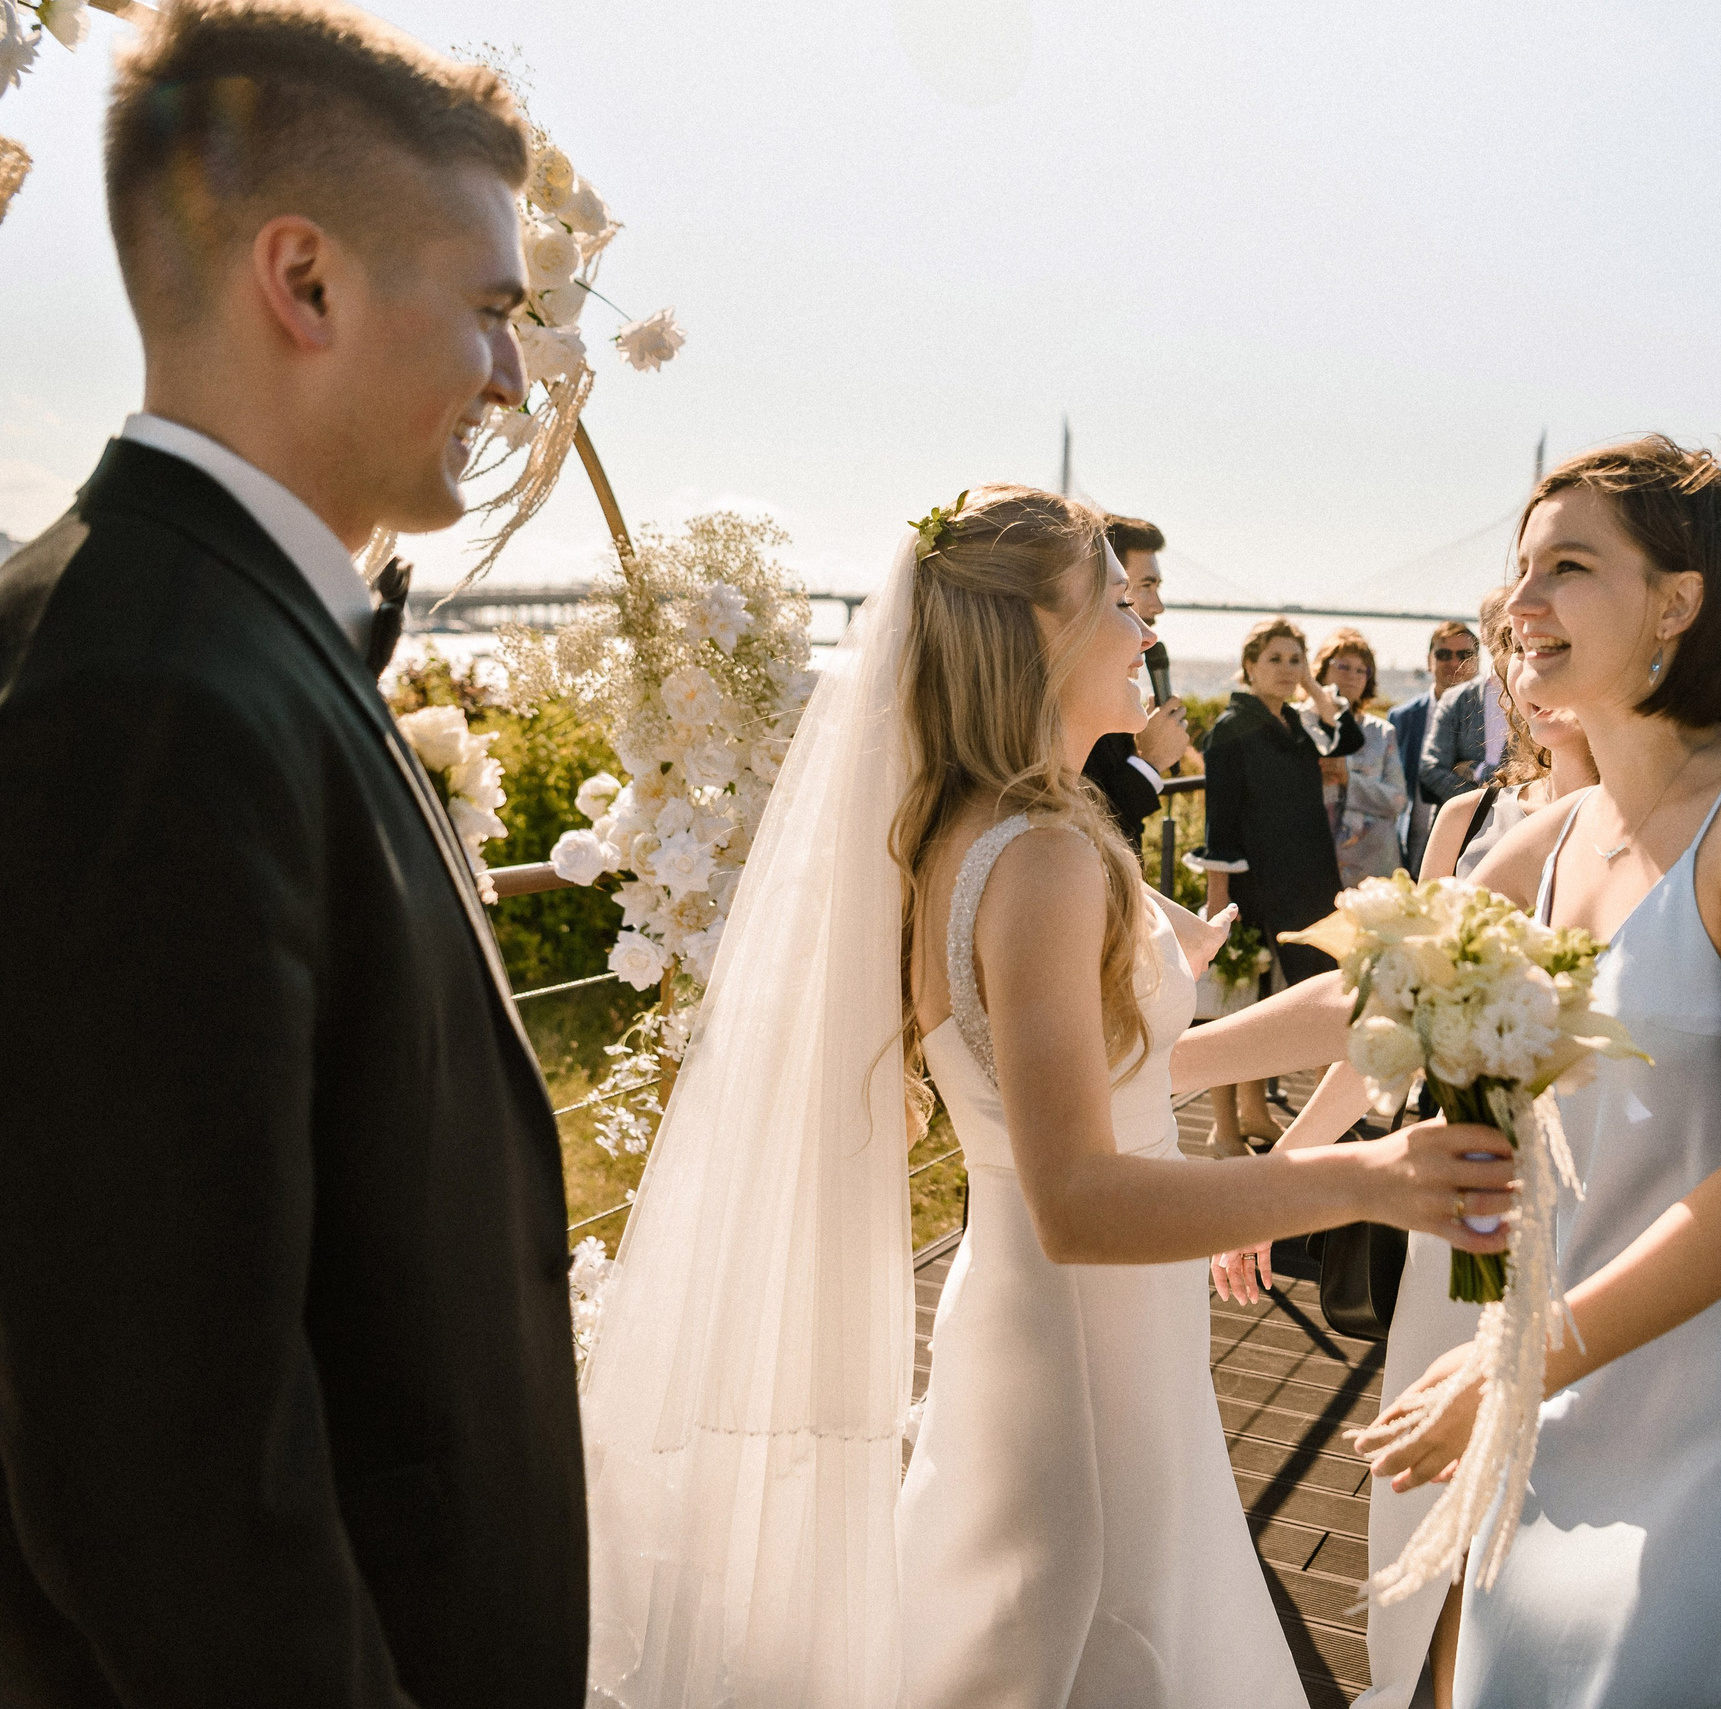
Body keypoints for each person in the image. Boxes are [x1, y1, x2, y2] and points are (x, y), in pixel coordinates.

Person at [577, 486, 1515, 1708]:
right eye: (1118, 605)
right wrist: (1369, 1177)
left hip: (1071, 1319)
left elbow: (1119, 1077)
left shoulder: (978, 833)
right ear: (1039, 634)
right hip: (1080, 1332)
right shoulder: (1047, 854)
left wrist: (1378, 993)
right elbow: (1077, 1195)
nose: (1145, 632)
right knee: (1077, 1642)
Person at [0, 8, 588, 1705]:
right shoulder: (143, 698)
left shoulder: (218, 631)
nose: (510, 373)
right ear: (306, 281)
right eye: (489, 309)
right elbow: (160, 1448)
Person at [1358, 436, 1721, 1709]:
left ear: (1676, 601)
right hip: (1569, 1390)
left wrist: (1515, 1361)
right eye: (1519, 568)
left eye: (1568, 567)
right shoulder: (1557, 834)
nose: (1519, 602)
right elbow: (1358, 994)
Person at [1211, 632, 1599, 1709]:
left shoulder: (1659, 830)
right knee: (1438, 1494)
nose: (1539, 669)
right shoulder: (1471, 822)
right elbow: (1388, 1020)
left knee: (1556, 1504)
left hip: (1598, 1207)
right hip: (1455, 1198)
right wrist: (1277, 1176)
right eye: (1523, 649)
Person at [1194, 615, 1365, 1148]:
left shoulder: (1295, 721)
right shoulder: (1229, 728)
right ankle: (1225, 1129)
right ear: (1249, 666)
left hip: (1309, 878)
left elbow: (1348, 737)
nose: (1287, 670)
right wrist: (1219, 903)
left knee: (1289, 993)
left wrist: (1312, 687)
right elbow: (1218, 822)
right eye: (1275, 659)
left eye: (1296, 659)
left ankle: (1256, 1113)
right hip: (1258, 885)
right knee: (1240, 1001)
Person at [1082, 513, 1190, 851]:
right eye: (1144, 587)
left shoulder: (1114, 689)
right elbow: (1088, 831)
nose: (1157, 607)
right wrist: (1148, 764)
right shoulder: (1072, 694)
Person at [1315, 626, 1409, 884]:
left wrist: (1348, 779)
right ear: (1322, 670)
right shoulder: (1303, 727)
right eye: (1343, 667)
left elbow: (1398, 800)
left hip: (1375, 866)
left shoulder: (1382, 732)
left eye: (1362, 670)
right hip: (1319, 863)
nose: (1353, 676)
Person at [1393, 619, 1481, 872]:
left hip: (1464, 841)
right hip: (1409, 840)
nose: (1454, 663)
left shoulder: (1493, 714)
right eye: (1444, 654)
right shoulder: (1402, 717)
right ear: (1429, 660)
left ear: (1477, 660)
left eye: (1464, 654)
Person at [1419, 594, 1510, 821]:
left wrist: (1478, 771)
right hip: (1462, 829)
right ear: (1483, 633)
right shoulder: (1456, 699)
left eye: (1509, 620)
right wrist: (1483, 803)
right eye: (1494, 622)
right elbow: (1431, 769)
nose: (1504, 630)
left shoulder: (1544, 696)